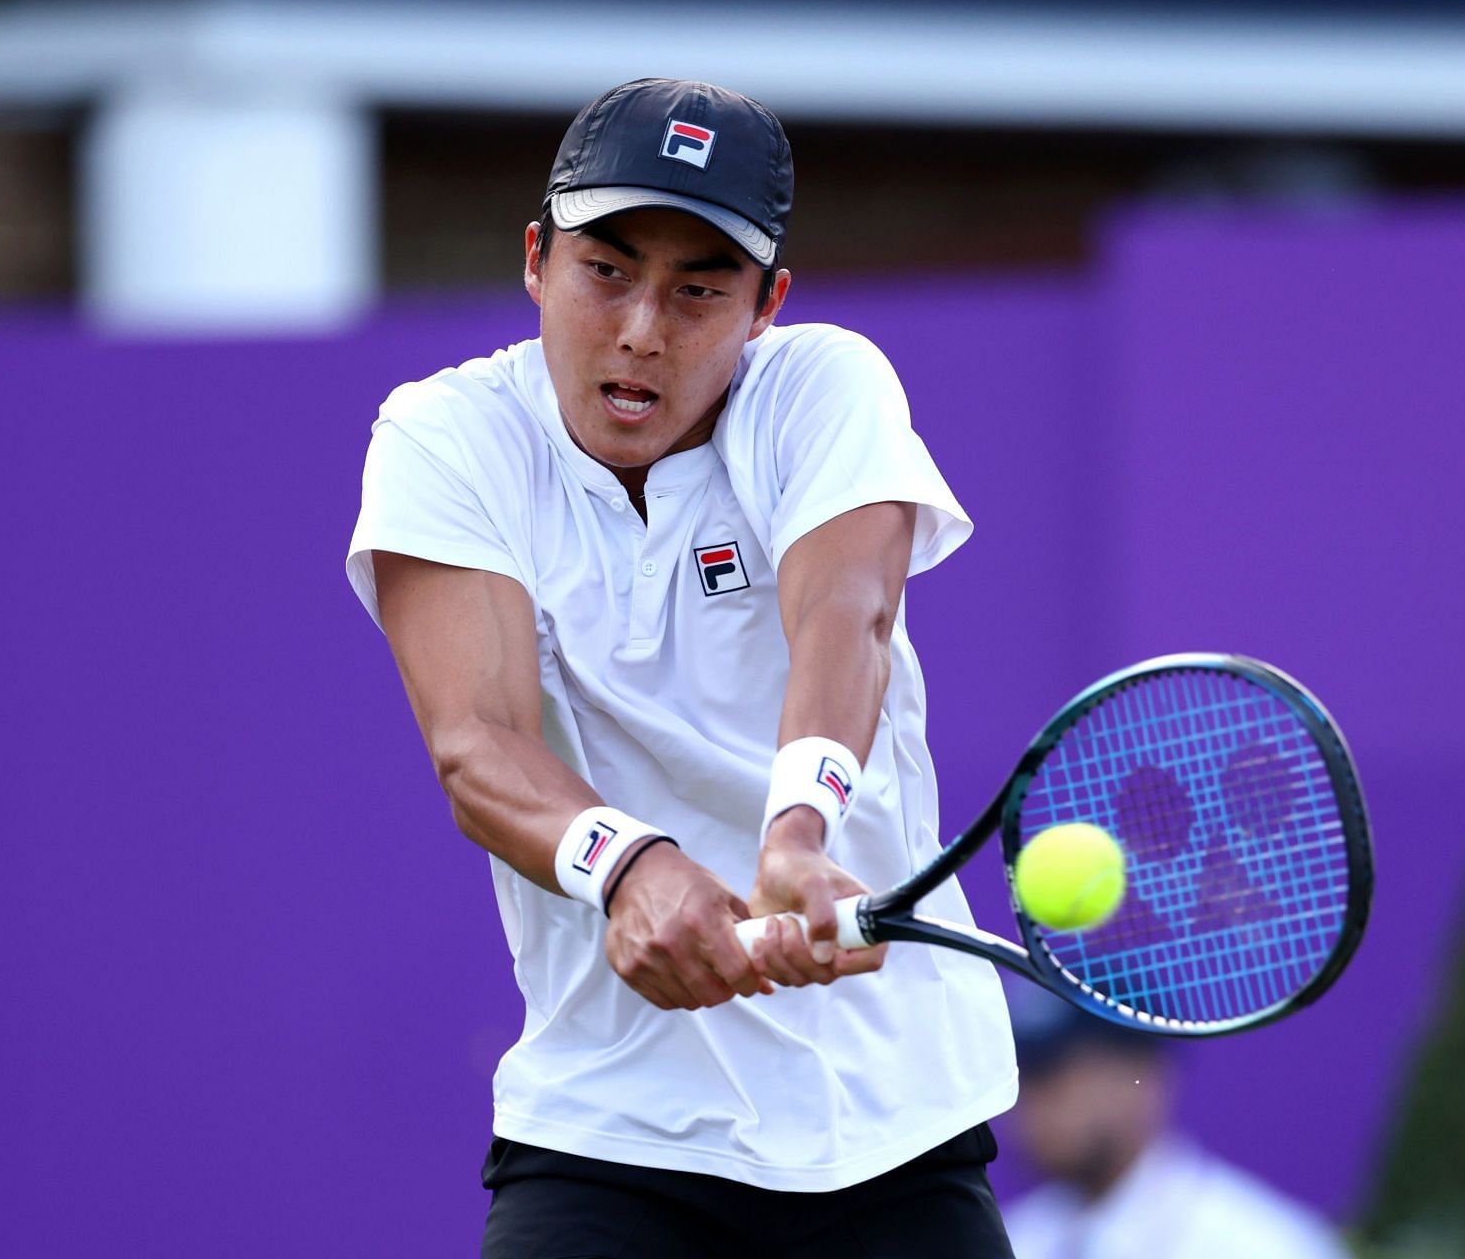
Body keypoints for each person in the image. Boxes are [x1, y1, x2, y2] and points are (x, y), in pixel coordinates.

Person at [345, 78, 1017, 1257]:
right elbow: (476, 747)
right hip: (610, 1135)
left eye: (701, 288)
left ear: (768, 306)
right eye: (607, 270)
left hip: (893, 1127)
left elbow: (845, 614)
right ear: (536, 259)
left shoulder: (823, 386)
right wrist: (631, 864)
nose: (644, 328)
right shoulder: (445, 438)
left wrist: (797, 835)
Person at [1001, 992, 1351, 1259]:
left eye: (1054, 1074)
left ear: (1142, 1077)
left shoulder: (1268, 1246)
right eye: (1019, 1078)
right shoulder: (1009, 1237)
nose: (1030, 1102)